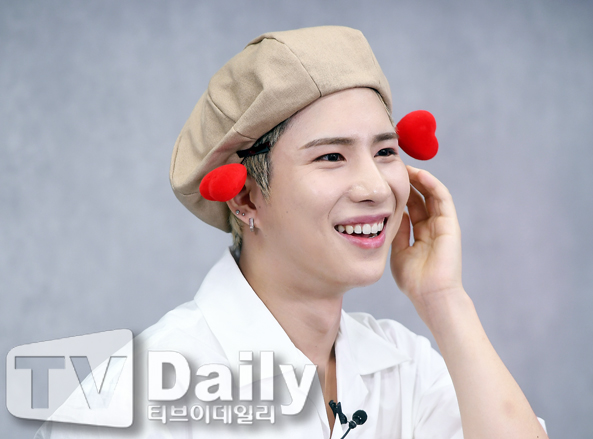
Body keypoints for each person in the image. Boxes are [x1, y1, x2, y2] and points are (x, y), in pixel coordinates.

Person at [37, 25, 548, 439]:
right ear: (245, 197)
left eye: (385, 151)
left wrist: (444, 300)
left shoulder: (404, 365)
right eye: (331, 156)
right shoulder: (134, 397)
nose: (376, 187)